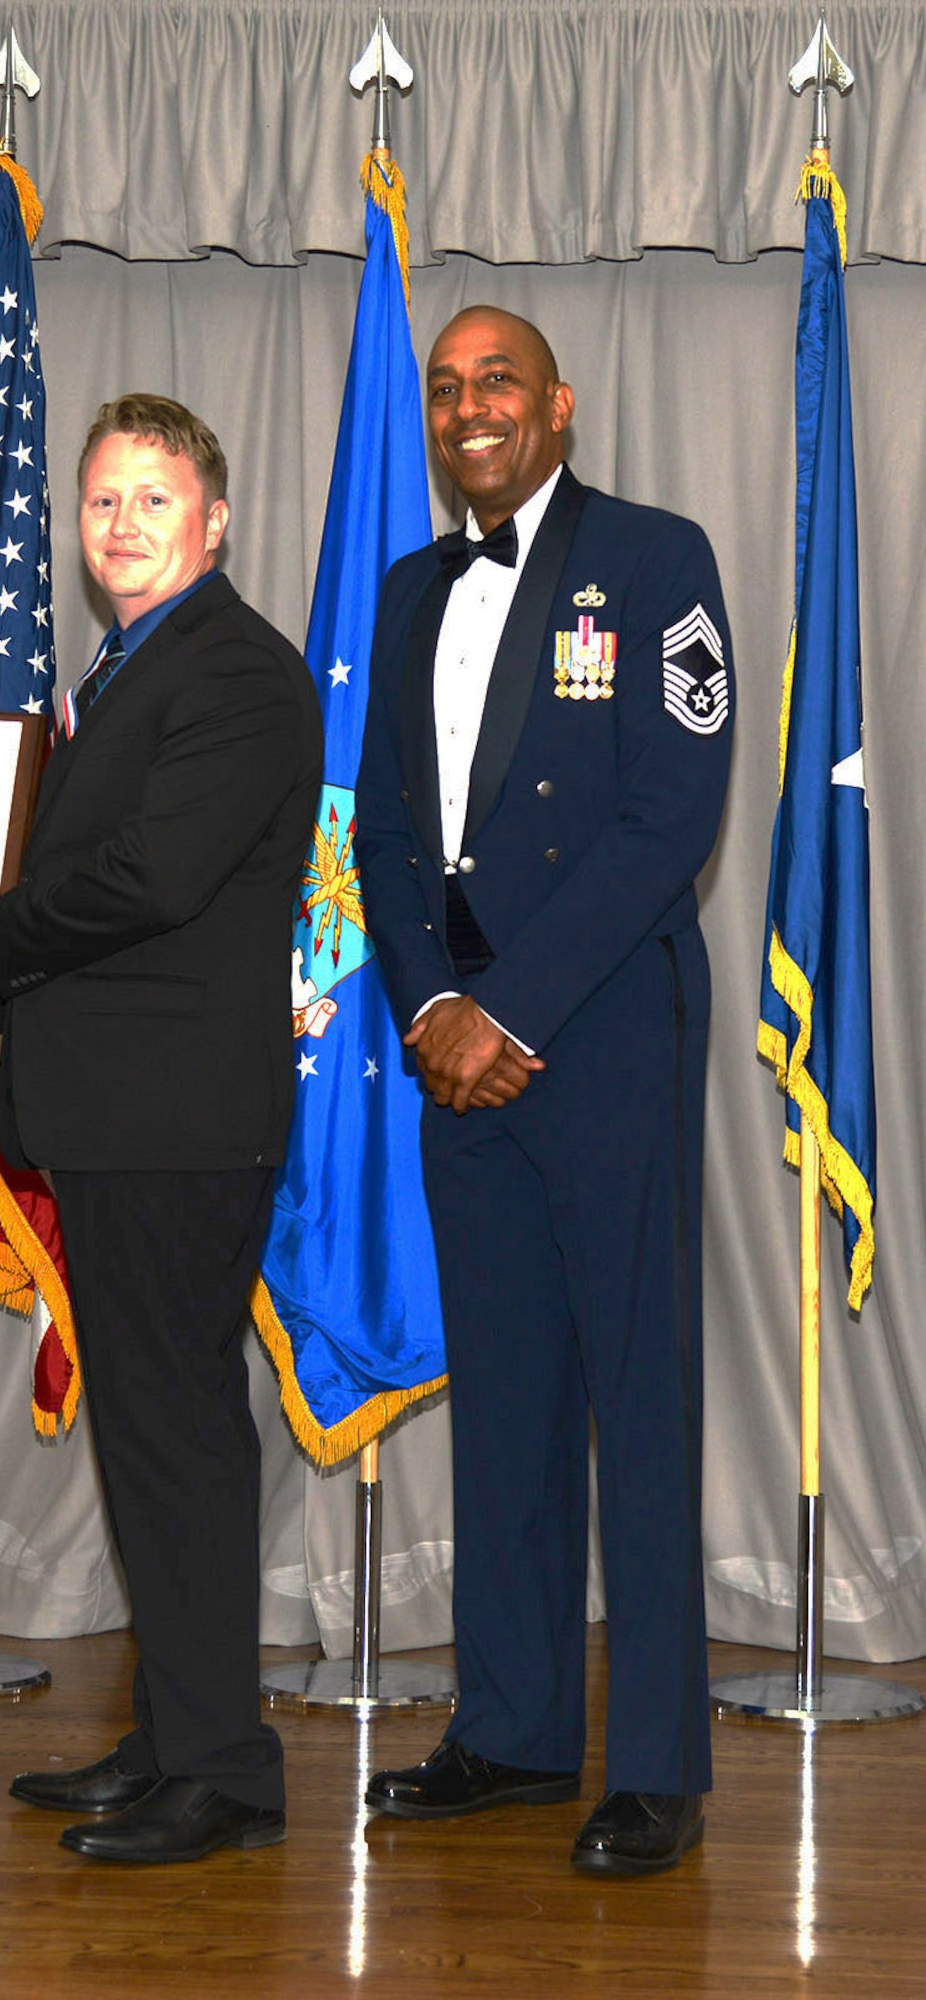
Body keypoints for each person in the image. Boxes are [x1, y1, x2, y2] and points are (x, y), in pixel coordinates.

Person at [0, 395, 323, 1864]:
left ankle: (224, 1768)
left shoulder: (238, 673)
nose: (122, 523)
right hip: (119, 1109)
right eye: (99, 501)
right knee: (149, 1433)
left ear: (214, 519)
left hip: (178, 1117)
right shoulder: (123, 668)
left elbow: (149, 880)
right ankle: (172, 1736)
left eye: (153, 496)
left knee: (182, 1437)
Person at [354, 308, 733, 1876]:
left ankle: (651, 1762)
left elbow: (670, 819)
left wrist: (503, 1006)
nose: (467, 409)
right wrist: (435, 1004)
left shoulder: (653, 560)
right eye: (444, 392)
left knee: (635, 1401)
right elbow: (375, 827)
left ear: (557, 405)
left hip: (599, 1038)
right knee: (504, 1400)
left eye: (494, 383)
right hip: (458, 1049)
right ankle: (508, 1729)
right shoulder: (404, 589)